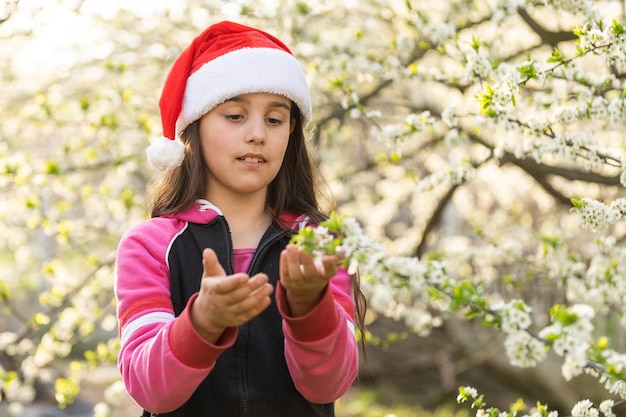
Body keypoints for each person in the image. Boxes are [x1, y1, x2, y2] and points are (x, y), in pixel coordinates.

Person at [114, 20, 366, 417]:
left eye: (274, 119)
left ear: (291, 132)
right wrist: (201, 322)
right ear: (194, 127)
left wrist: (309, 306)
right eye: (234, 116)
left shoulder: (319, 242)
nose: (257, 134)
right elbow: (151, 390)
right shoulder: (150, 245)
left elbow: (330, 385)